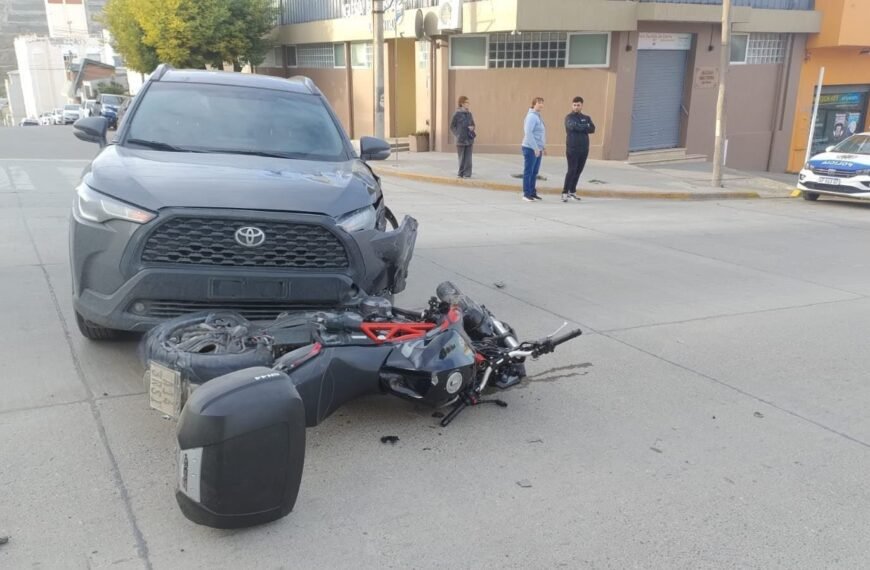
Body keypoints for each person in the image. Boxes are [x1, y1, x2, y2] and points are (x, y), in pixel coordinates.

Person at [562, 96, 595, 202]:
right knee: (571, 170)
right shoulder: (569, 117)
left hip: (584, 149)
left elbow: (592, 129)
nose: (576, 107)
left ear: (582, 106)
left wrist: (581, 126)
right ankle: (564, 192)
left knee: (578, 171)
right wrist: (584, 126)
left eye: (578, 105)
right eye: (574, 105)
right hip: (572, 148)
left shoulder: (586, 117)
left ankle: (572, 191)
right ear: (572, 105)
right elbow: (573, 127)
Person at [521, 97, 546, 202]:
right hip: (530, 148)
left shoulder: (538, 116)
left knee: (534, 172)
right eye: (538, 103)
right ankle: (526, 194)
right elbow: (528, 133)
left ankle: (532, 192)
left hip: (537, 148)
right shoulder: (531, 116)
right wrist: (535, 148)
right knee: (529, 171)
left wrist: (542, 147)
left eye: (542, 103)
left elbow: (540, 133)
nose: (541, 105)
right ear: (534, 104)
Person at [449, 96, 476, 178]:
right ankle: (461, 173)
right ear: (462, 103)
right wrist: (458, 134)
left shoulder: (469, 114)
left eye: (468, 102)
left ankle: (467, 174)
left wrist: (472, 127)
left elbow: (473, 124)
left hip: (469, 139)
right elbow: (452, 126)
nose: (468, 104)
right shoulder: (456, 114)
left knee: (468, 158)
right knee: (461, 158)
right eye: (467, 102)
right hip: (460, 140)